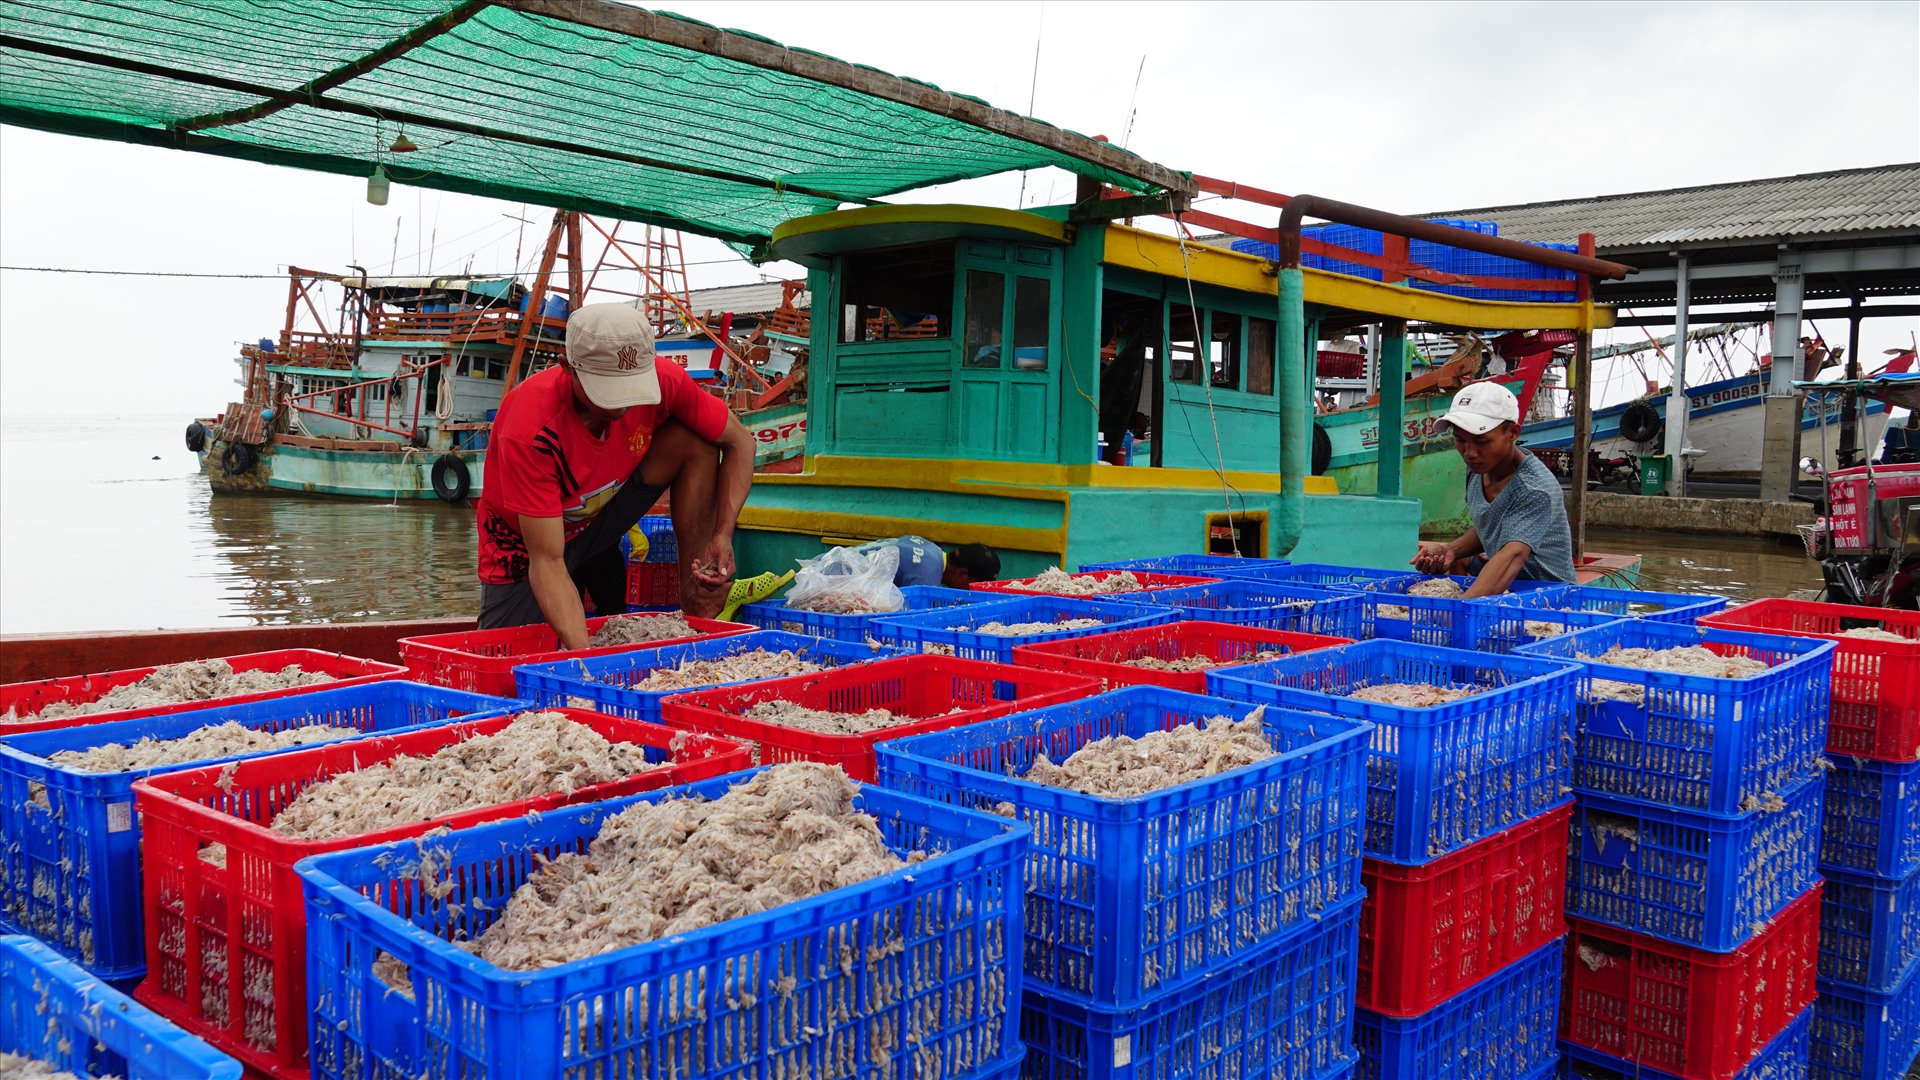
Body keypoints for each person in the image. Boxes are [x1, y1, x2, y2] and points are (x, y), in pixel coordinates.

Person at [475, 303, 759, 645]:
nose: (622, 405)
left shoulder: (665, 380)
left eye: (631, 388)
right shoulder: (530, 427)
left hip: (597, 517)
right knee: (505, 656)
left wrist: (722, 534)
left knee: (696, 441)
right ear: (568, 367)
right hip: (526, 544)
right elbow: (547, 561)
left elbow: (741, 443)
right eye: (608, 392)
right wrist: (591, 669)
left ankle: (697, 602)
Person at [1411, 381, 1576, 595]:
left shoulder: (1534, 488)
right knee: (1450, 559)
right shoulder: (1478, 469)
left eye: (1482, 441)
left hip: (1545, 592)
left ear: (1513, 433)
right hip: (1510, 580)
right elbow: (1491, 525)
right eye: (1460, 440)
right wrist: (1450, 549)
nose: (1469, 453)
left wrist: (1457, 613)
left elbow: (1513, 555)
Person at [854, 536, 1000, 588]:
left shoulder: (930, 548)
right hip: (836, 583)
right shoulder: (926, 575)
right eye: (974, 586)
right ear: (963, 574)